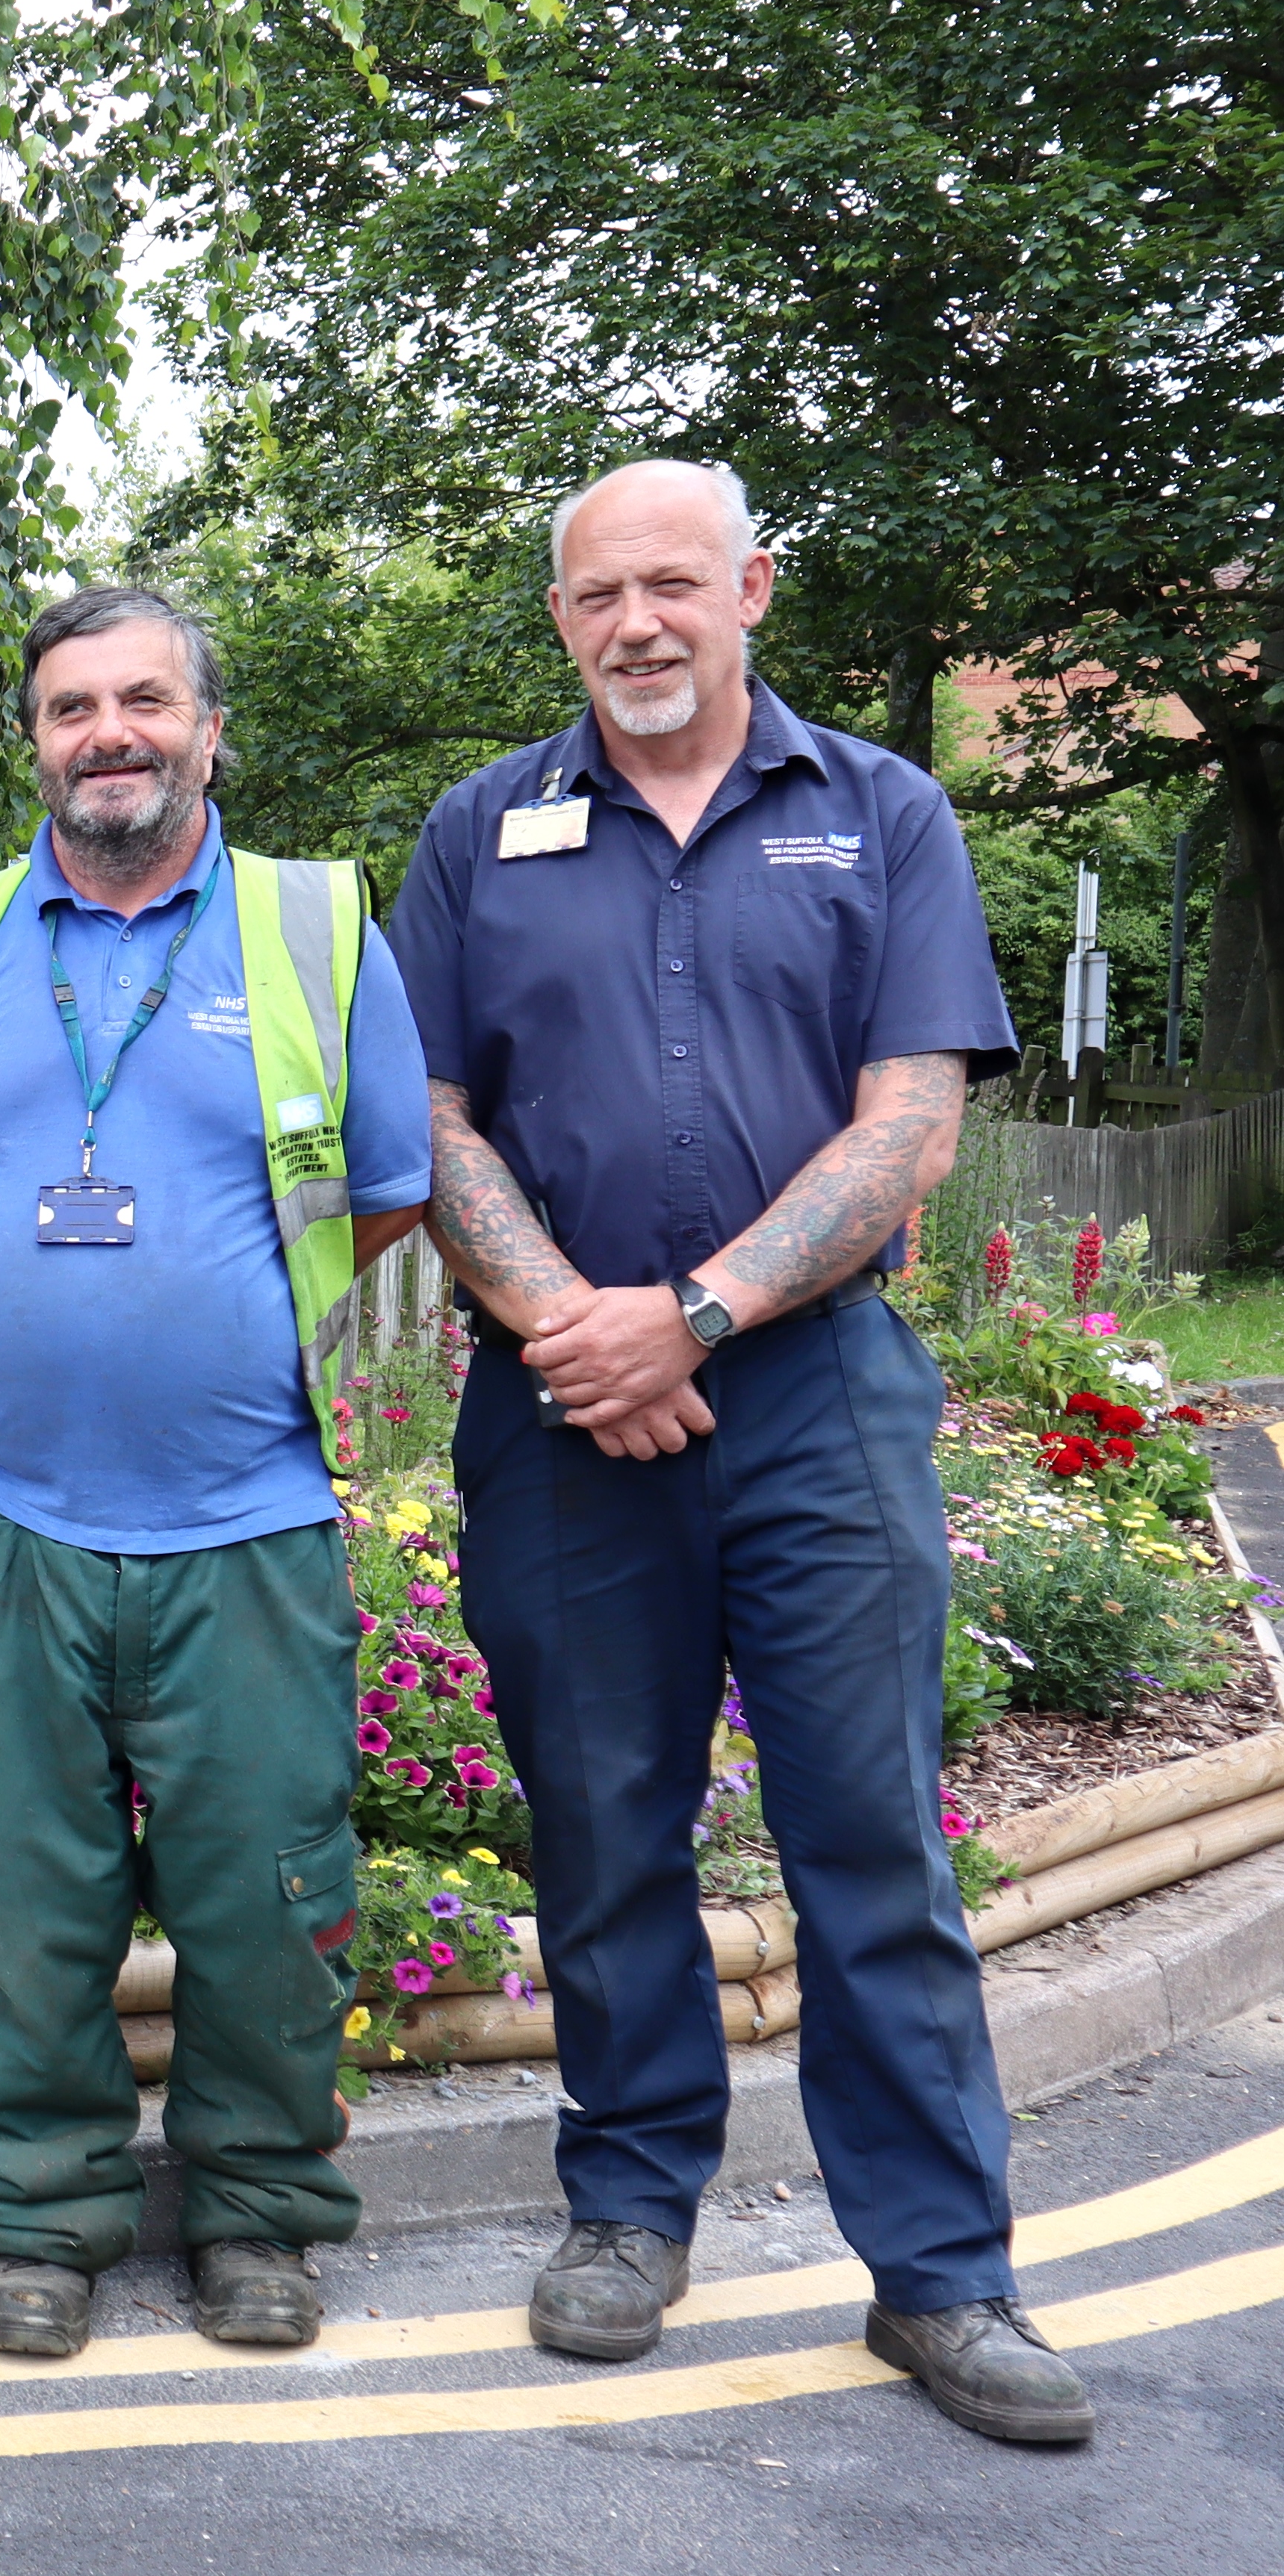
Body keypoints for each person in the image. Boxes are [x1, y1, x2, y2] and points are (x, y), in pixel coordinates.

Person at [389, 460, 1085, 2442]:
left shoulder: (881, 813)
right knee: (603, 1828)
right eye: (599, 593)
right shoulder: (478, 835)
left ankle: (945, 2278)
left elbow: (909, 1129)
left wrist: (684, 1318)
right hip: (557, 1404)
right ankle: (628, 2211)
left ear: (752, 588)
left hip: (815, 1404)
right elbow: (429, 1123)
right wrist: (572, 1331)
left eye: (675, 583)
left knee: (870, 1838)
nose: (639, 624)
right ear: (562, 619)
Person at [0, 584, 432, 2357]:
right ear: (32, 740)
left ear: (206, 725)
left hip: (244, 1515)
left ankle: (258, 2216)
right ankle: (40, 2216)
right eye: (70, 705)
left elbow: (387, 1185)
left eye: (142, 698)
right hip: (1, 1522)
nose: (107, 731)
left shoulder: (313, 932)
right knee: (18, 1895)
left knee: (267, 1892)